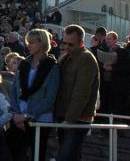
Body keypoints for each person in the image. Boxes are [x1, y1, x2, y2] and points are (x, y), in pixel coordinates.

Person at [8, 28, 59, 161]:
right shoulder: (24, 64)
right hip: (19, 116)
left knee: (37, 154)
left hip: (39, 119)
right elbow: (14, 90)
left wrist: (27, 116)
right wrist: (16, 113)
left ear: (42, 44)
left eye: (33, 42)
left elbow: (50, 97)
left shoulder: (52, 67)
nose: (29, 45)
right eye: (28, 42)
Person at [54, 24, 99, 161]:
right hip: (64, 115)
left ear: (81, 43)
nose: (66, 46)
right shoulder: (65, 57)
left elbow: (82, 91)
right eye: (64, 42)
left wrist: (70, 119)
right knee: (72, 155)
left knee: (66, 156)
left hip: (77, 118)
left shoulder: (86, 59)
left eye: (71, 44)